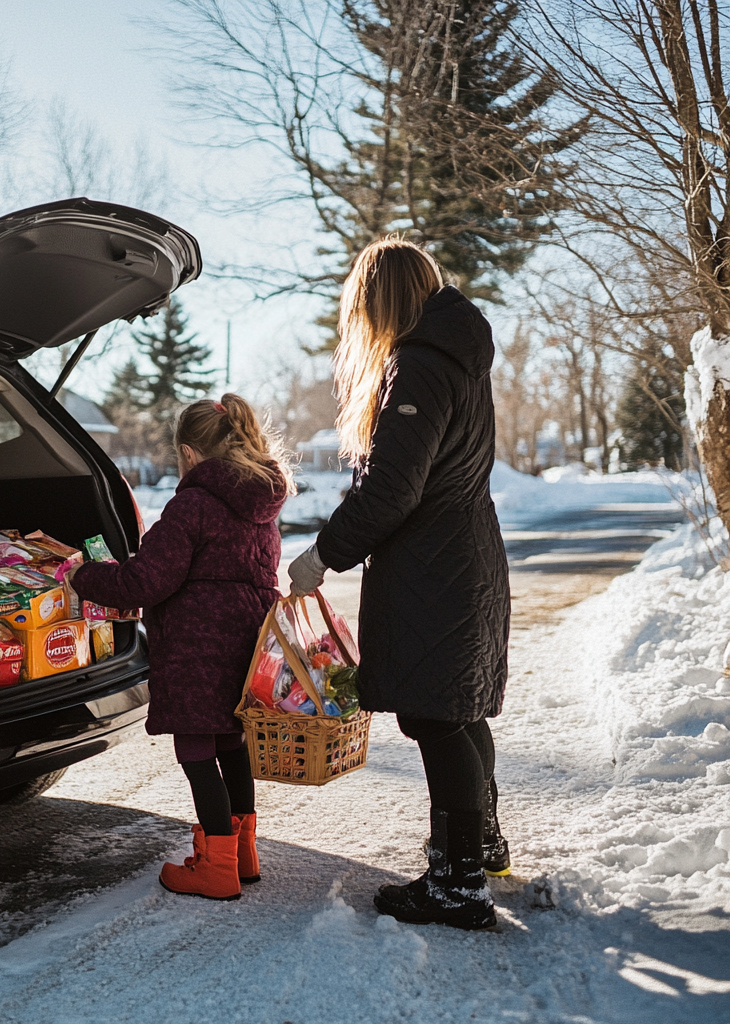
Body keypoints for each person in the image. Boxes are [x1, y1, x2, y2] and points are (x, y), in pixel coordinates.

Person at [289, 239, 510, 931]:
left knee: (436, 716)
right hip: (463, 553)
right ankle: (478, 846)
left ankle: (458, 883)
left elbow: (392, 488)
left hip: (433, 567)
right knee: (457, 709)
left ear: (376, 299)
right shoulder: (458, 356)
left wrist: (323, 554)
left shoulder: (416, 365)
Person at [69, 393, 293, 901]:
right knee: (231, 741)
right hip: (247, 644)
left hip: (198, 645)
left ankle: (215, 867)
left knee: (195, 746)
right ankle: (242, 856)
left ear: (189, 454)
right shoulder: (262, 505)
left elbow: (147, 581)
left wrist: (86, 576)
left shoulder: (191, 505)